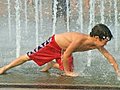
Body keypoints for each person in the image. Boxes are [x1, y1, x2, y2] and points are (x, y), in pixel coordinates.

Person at [0, 24, 120, 77]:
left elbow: (109, 57)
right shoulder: (79, 40)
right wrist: (68, 73)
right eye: (106, 40)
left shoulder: (97, 44)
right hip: (53, 44)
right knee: (29, 56)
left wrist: (117, 71)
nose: (107, 43)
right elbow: (67, 55)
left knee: (69, 69)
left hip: (64, 50)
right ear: (97, 38)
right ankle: (4, 68)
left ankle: (52, 64)